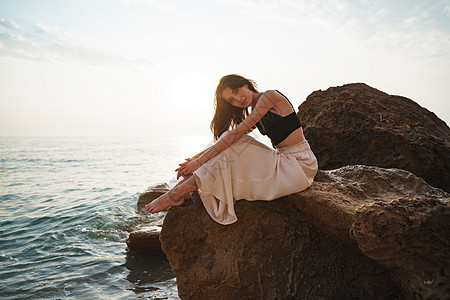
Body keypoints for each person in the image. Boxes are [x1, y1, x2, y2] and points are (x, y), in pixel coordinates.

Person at [146, 74, 318, 224]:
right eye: (231, 100)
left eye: (236, 91)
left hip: (300, 164)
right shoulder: (254, 109)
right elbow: (228, 139)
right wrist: (195, 159)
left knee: (236, 141)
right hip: (286, 162)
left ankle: (176, 193)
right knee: (233, 142)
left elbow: (235, 136)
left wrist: (199, 161)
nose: (238, 100)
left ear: (245, 84)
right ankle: (182, 189)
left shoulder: (269, 96)